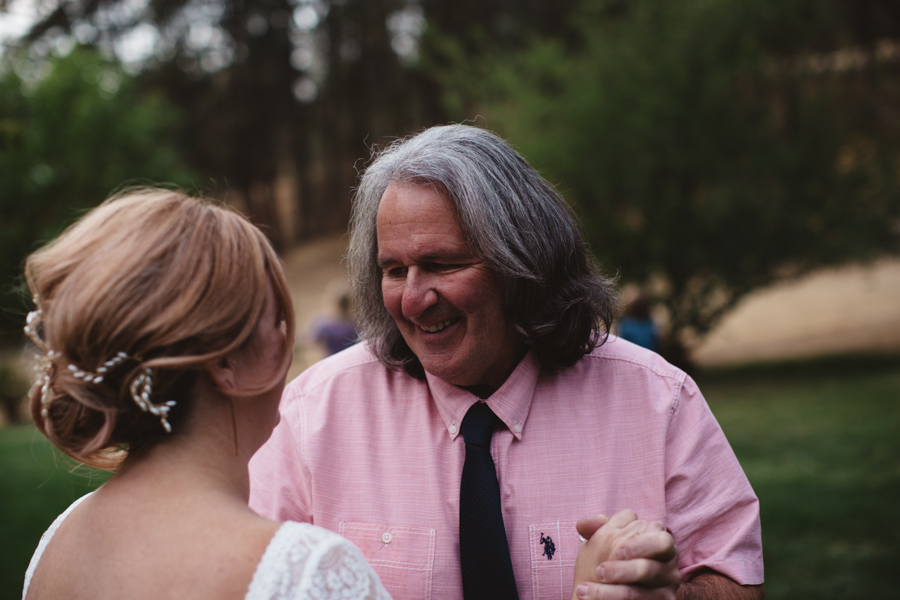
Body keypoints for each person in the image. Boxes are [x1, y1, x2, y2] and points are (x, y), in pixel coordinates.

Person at [249, 125, 764, 599]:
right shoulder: (312, 415)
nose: (412, 299)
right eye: (393, 270)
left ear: (524, 263)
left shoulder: (657, 400)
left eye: (440, 265)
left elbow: (737, 579)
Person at [21, 189, 390, 600]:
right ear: (225, 364)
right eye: (276, 321)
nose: (285, 338)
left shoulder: (59, 541)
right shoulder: (307, 572)